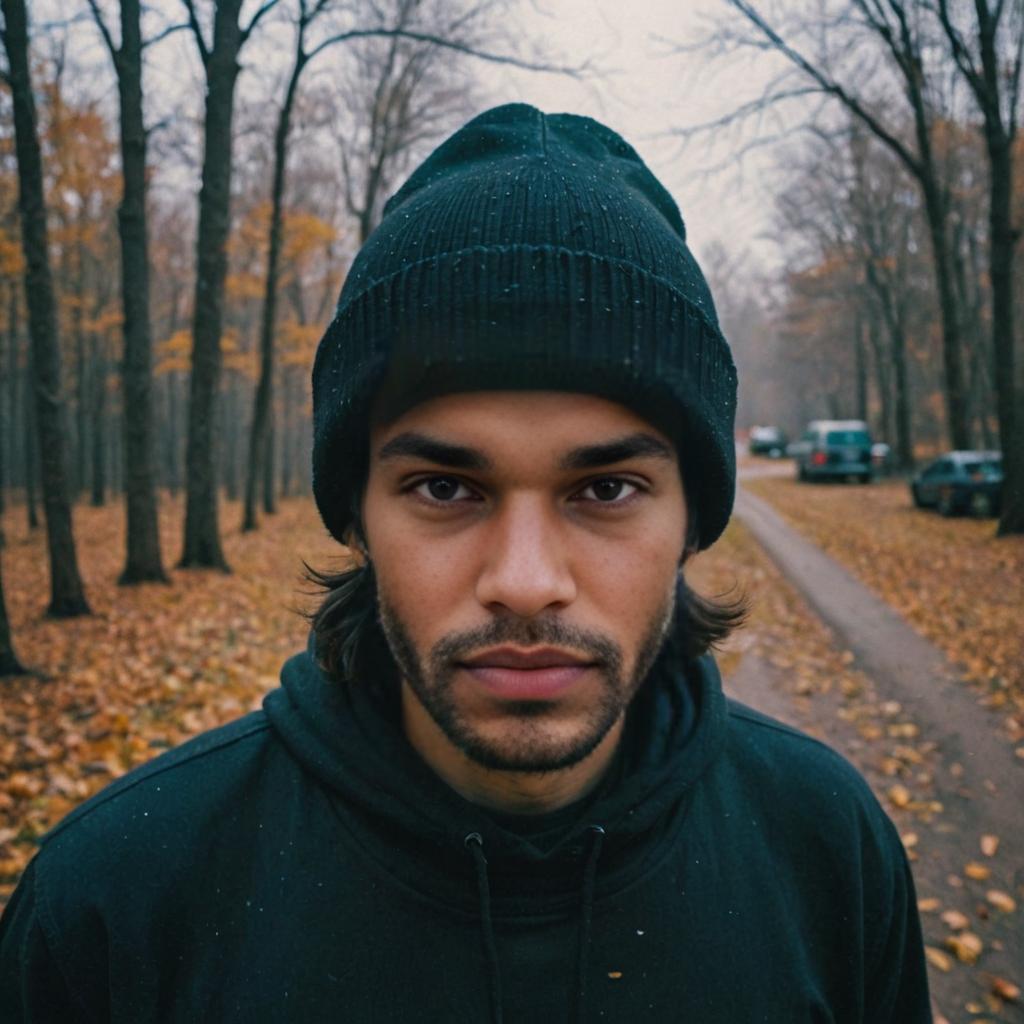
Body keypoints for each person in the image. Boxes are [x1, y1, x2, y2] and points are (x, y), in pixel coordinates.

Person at [0, 103, 930, 1023]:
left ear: (695, 516)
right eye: (447, 488)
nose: (525, 583)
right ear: (355, 513)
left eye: (604, 489)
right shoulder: (115, 902)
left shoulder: (827, 850)